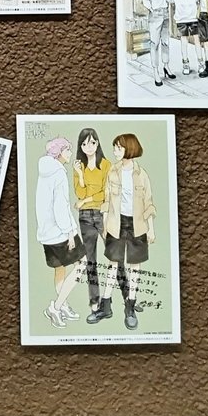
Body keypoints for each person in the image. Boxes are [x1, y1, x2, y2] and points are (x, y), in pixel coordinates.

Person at [87, 134, 155, 331]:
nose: (115, 151)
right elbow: (107, 200)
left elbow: (148, 203)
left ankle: (130, 308)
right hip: (116, 223)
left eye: (118, 148)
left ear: (129, 149)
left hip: (138, 225)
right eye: (115, 147)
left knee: (135, 266)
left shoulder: (142, 175)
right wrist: (105, 223)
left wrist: (151, 229)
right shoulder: (113, 172)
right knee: (113, 264)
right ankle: (105, 306)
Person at [35, 137, 86, 328]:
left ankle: (62, 305)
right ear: (59, 153)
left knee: (60, 268)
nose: (70, 153)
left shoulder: (45, 171)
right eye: (68, 150)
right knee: (82, 264)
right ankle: (55, 307)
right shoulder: (58, 173)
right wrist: (70, 232)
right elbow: (60, 206)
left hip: (46, 232)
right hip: (60, 232)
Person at [72, 129, 114, 318]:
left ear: (97, 143)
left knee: (115, 256)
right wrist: (80, 175)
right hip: (85, 217)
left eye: (92, 142)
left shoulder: (106, 165)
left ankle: (125, 299)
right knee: (91, 261)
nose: (88, 147)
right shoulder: (78, 166)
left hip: (102, 214)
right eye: (84, 144)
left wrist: (86, 200)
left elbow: (105, 193)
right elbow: (79, 193)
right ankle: (95, 303)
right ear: (80, 146)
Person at [142, 0, 176, 87]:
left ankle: (166, 66)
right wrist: (152, 9)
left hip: (165, 13)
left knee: (165, 42)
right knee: (154, 44)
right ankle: (156, 71)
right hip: (155, 15)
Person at [167, 0, 201, 75]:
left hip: (193, 19)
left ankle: (201, 64)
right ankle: (186, 64)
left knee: (197, 41)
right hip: (181, 20)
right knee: (184, 43)